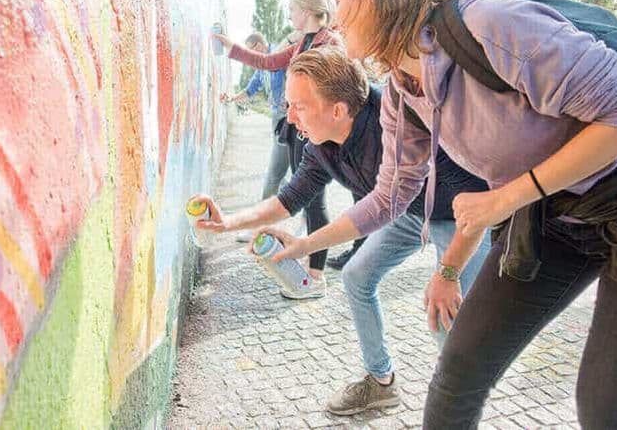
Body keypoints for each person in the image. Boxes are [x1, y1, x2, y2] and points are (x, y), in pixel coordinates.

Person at [260, 0, 617, 428]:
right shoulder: (401, 90)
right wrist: (305, 244)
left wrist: (510, 197)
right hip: (555, 217)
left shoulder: (488, 22)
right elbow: (389, 199)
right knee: (458, 369)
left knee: (605, 407)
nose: (333, 9)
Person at [191, 46, 491, 413]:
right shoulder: (321, 142)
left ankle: (454, 407)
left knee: (446, 316)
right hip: (408, 213)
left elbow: (379, 208)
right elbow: (289, 198)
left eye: (298, 106)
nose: (289, 117)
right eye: (288, 104)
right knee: (356, 276)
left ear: (338, 110)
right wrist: (227, 222)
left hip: (464, 217)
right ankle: (381, 382)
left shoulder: (395, 124)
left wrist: (448, 272)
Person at [213, 0, 345, 296]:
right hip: (301, 130)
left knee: (316, 202)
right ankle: (314, 274)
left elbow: (336, 88)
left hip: (317, 133)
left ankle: (316, 276)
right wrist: (232, 49)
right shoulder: (304, 42)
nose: (289, 15)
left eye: (292, 9)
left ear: (308, 10)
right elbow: (270, 62)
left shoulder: (332, 43)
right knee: (310, 201)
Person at [220, 32, 291, 243]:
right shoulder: (262, 69)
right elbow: (251, 90)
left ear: (259, 45)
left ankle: (261, 227)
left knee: (275, 175)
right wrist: (232, 98)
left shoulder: (278, 55)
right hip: (277, 119)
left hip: (290, 120)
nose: (251, 55)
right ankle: (300, 223)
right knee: (289, 175)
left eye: (252, 50)